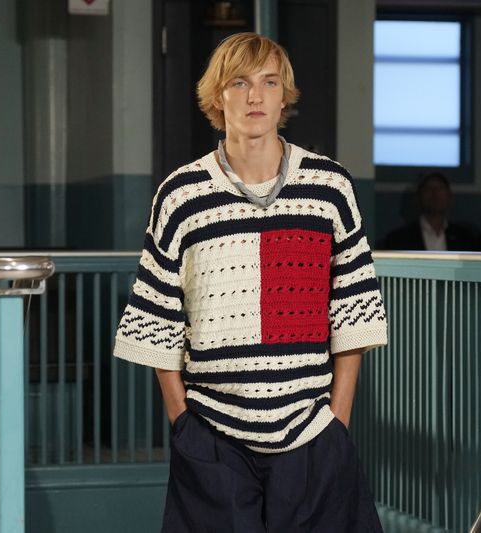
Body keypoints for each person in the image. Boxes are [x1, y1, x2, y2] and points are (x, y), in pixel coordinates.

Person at [113, 33, 388, 532]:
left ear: (286, 96)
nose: (254, 96)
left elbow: (355, 310)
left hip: (312, 435)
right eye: (239, 82)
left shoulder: (329, 189)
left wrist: (337, 423)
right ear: (217, 96)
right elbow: (157, 320)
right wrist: (184, 425)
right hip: (213, 438)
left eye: (268, 82)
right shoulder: (180, 195)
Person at [380, 171, 476, 251]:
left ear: (450, 197)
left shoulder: (464, 237)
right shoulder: (398, 239)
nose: (435, 193)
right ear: (418, 197)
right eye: (429, 188)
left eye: (440, 189)